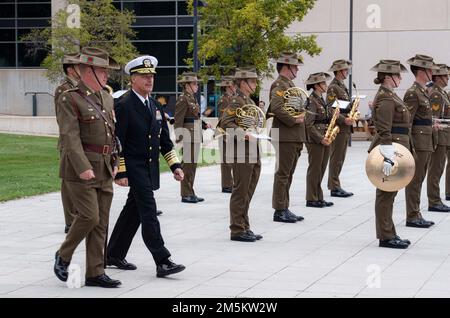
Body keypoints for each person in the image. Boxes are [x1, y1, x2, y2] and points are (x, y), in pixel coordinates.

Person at [106, 56, 186, 277]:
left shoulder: (154, 105)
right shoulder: (124, 105)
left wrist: (175, 166)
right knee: (148, 212)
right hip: (133, 166)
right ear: (133, 79)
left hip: (148, 168)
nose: (149, 80)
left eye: (151, 76)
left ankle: (113, 254)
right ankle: (162, 260)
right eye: (144, 76)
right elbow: (117, 141)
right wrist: (120, 171)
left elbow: (164, 141)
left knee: (133, 212)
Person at [53, 47, 122, 287]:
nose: (107, 75)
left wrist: (115, 161)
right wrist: (82, 166)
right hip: (80, 169)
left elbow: (111, 133)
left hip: (104, 167)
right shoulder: (69, 97)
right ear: (87, 70)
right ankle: (63, 255)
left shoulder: (106, 96)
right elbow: (69, 137)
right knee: (89, 216)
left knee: (101, 222)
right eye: (103, 70)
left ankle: (95, 272)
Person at [368, 59, 411, 249]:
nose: (400, 78)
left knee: (390, 192)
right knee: (386, 191)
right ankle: (385, 236)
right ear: (388, 77)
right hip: (391, 147)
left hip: (397, 146)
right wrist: (387, 154)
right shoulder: (385, 98)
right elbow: (384, 128)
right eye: (397, 75)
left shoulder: (390, 95)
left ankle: (390, 232)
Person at [219, 67, 263, 242]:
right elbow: (225, 123)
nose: (255, 84)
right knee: (241, 191)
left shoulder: (248, 100)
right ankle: (237, 229)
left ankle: (244, 226)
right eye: (252, 81)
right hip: (241, 152)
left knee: (248, 191)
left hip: (252, 150)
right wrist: (242, 133)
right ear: (242, 83)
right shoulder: (237, 100)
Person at [267, 52, 305, 223]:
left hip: (292, 136)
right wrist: (293, 119)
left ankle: (285, 207)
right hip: (285, 136)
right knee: (283, 174)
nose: (297, 69)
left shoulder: (288, 84)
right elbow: (275, 106)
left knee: (288, 174)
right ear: (286, 67)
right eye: (295, 66)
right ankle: (279, 210)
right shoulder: (279, 85)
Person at [403, 54, 437, 228]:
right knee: (415, 180)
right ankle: (412, 215)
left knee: (420, 178)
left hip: (426, 140)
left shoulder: (423, 91)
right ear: (421, 71)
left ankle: (416, 212)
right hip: (418, 142)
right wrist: (409, 146)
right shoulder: (413, 92)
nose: (432, 72)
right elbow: (406, 121)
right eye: (429, 69)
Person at [174, 72, 211, 203]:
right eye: (194, 83)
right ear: (187, 85)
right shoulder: (183, 98)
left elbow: (194, 117)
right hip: (188, 135)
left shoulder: (192, 98)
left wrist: (204, 124)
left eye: (197, 83)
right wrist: (179, 137)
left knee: (192, 165)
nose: (196, 86)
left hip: (195, 134)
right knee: (187, 165)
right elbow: (179, 119)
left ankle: (190, 191)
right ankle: (185, 194)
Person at [54, 53, 81, 234]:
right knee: (69, 181)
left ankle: (78, 217)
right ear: (71, 69)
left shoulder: (80, 88)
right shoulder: (63, 89)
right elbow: (63, 119)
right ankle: (70, 220)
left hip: (80, 140)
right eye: (79, 67)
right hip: (68, 141)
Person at [304, 72, 334, 208]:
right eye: (323, 83)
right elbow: (308, 124)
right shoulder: (311, 100)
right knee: (315, 169)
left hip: (325, 137)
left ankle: (318, 196)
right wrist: (320, 138)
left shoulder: (321, 99)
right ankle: (311, 198)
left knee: (321, 168)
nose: (326, 85)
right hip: (316, 139)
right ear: (316, 85)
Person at [326, 59, 355, 198]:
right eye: (345, 70)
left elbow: (342, 105)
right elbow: (331, 109)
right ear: (338, 71)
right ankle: (334, 187)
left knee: (340, 158)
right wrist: (345, 119)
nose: (347, 72)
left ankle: (336, 184)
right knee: (336, 157)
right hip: (339, 125)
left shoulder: (342, 86)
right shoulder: (333, 87)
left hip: (344, 127)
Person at [427, 64, 450, 213]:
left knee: (440, 168)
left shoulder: (442, 93)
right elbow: (435, 119)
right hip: (440, 136)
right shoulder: (435, 94)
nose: (448, 78)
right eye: (446, 76)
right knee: (436, 169)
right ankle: (434, 201)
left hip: (446, 135)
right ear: (438, 78)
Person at [217, 75, 236, 193]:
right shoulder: (224, 100)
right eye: (233, 85)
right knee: (225, 160)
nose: (235, 87)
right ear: (229, 87)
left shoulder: (232, 98)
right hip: (224, 132)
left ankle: (230, 183)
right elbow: (223, 118)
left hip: (230, 131)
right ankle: (226, 185)